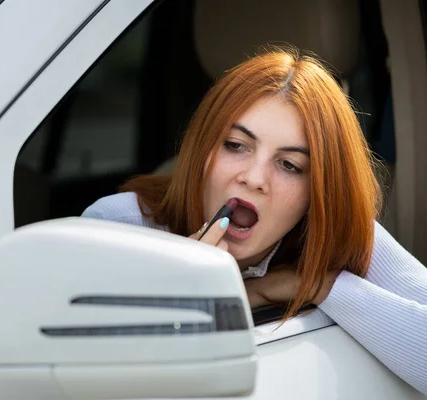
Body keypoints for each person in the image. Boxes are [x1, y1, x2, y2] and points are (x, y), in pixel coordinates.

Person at [81, 48, 427, 394]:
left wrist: (314, 285)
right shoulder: (119, 226)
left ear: (316, 193)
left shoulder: (337, 233)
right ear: (202, 148)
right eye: (235, 145)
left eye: (289, 165)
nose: (255, 178)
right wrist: (176, 294)